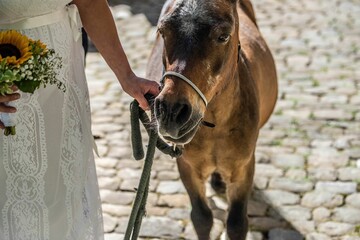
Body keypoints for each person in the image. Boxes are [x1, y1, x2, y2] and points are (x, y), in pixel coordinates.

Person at [0, 0, 160, 239]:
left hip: (63, 85)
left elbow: (89, 3)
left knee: (63, 194)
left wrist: (127, 77)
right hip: (8, 86)